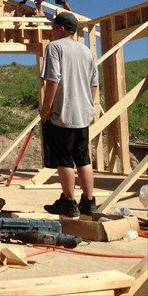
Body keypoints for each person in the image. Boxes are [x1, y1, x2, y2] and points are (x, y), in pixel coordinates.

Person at [40, 12, 98, 217]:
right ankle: (89, 202)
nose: (51, 30)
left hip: (63, 112)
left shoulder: (55, 47)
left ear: (62, 29)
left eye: (53, 27)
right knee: (83, 157)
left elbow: (53, 79)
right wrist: (89, 106)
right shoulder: (87, 51)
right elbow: (94, 83)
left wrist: (46, 108)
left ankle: (68, 201)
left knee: (63, 158)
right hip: (83, 113)